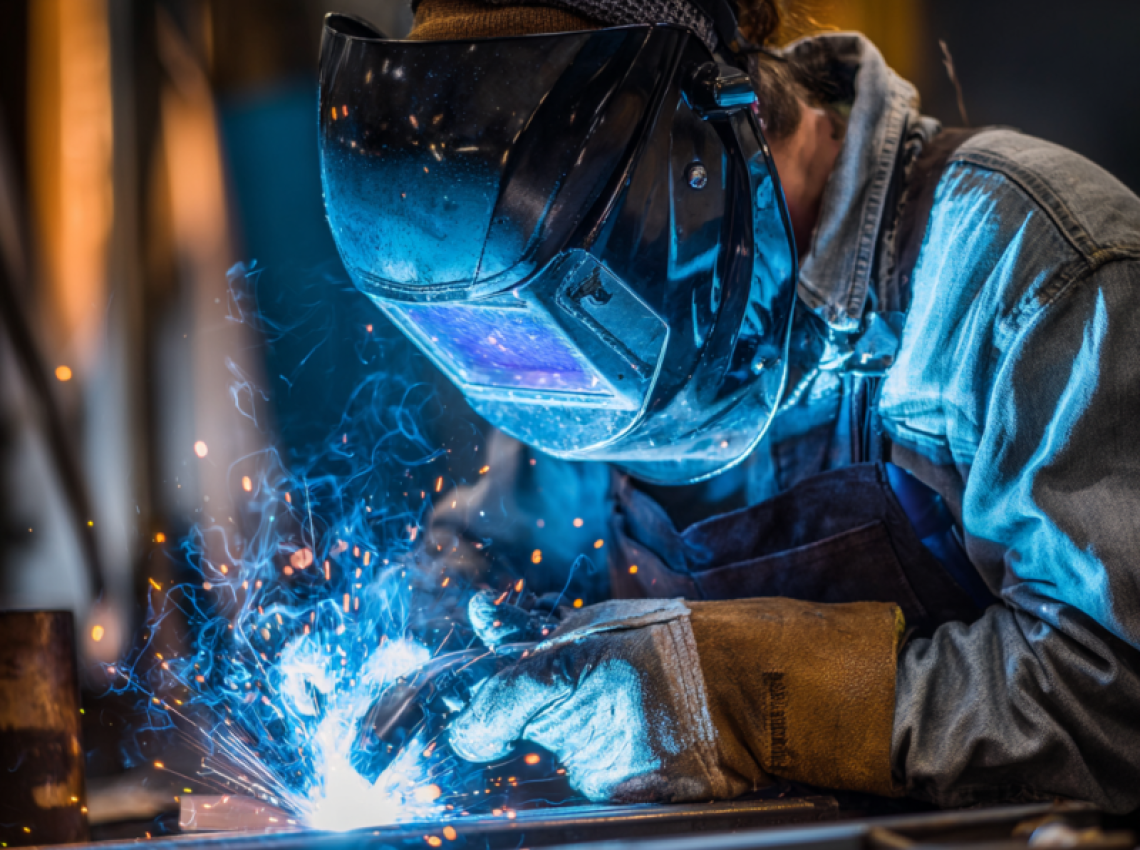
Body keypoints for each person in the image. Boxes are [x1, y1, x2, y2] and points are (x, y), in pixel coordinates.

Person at [317, 0, 1140, 812]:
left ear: (688, 159)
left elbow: (1108, 701)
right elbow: (492, 549)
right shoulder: (565, 310)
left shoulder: (1028, 270)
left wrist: (725, 696)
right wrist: (427, 651)